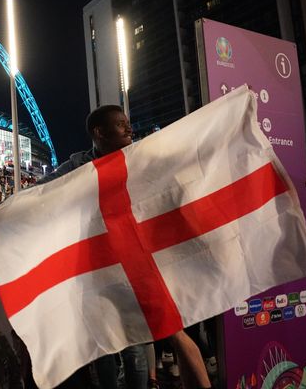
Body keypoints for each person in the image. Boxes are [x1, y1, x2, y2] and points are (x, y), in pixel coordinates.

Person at [39, 104, 210, 389]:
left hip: (141, 259)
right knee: (105, 345)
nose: (129, 128)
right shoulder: (78, 166)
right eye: (121, 124)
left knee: (153, 338)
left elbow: (188, 150)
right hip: (99, 268)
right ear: (99, 132)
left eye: (127, 123)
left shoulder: (142, 155)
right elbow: (40, 192)